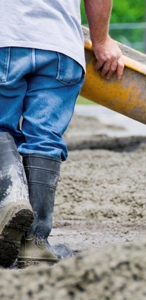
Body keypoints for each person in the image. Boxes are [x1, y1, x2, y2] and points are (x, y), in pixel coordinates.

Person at [0, 1, 124, 267]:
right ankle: (34, 243)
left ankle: (11, 201)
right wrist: (101, 40)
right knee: (44, 138)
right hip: (60, 44)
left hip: (5, 36)